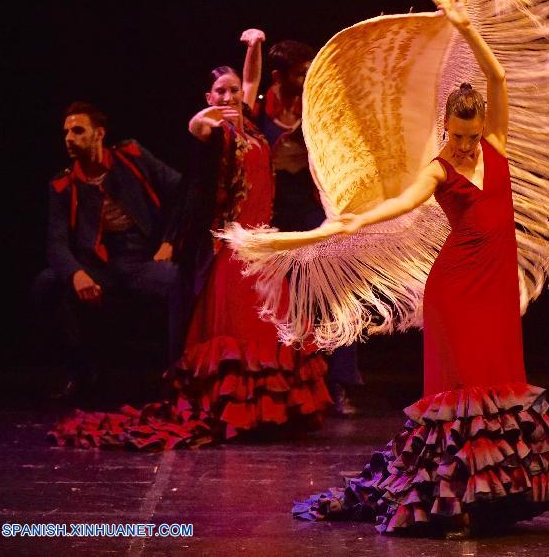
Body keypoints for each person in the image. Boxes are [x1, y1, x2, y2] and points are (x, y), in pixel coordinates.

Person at [289, 0, 549, 535]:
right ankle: (452, 502)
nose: (464, 145)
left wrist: (465, 27)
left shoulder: (497, 144)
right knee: (462, 395)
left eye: (471, 135)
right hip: (455, 290)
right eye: (457, 135)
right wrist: (351, 223)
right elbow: (403, 202)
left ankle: (493, 496)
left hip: (494, 290)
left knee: (497, 386)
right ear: (445, 127)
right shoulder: (439, 169)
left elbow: (495, 74)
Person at [49, 30, 332, 449]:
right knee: (239, 332)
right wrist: (218, 110)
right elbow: (195, 122)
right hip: (233, 243)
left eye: (235, 89)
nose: (231, 95)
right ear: (209, 94)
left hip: (262, 241)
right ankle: (236, 413)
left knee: (273, 330)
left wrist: (253, 47)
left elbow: (251, 84)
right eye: (221, 90)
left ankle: (272, 414)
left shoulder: (250, 123)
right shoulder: (216, 130)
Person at [34, 102, 181, 397]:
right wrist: (76, 274)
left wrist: (170, 241)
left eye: (78, 131)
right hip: (95, 264)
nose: (69, 139)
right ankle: (82, 371)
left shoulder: (131, 156)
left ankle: (178, 371)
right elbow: (56, 242)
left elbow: (181, 191)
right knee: (47, 283)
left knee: (180, 281)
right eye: (66, 133)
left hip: (139, 257)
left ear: (99, 133)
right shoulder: (63, 184)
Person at [255, 39, 364, 416]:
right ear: (277, 77)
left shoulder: (317, 104)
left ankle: (341, 383)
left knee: (333, 291)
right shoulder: (258, 109)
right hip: (270, 209)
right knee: (276, 299)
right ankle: (281, 389)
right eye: (300, 73)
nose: (307, 78)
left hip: (310, 204)